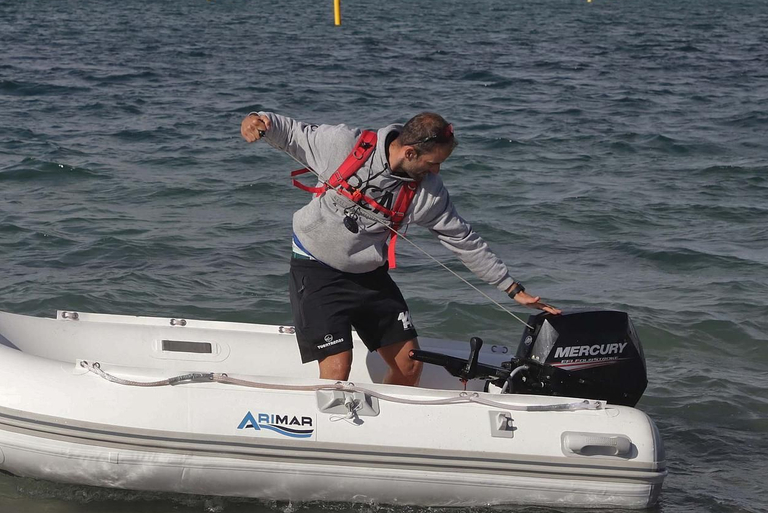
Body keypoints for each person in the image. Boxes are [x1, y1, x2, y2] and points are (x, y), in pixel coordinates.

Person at [240, 110, 560, 386]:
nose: (436, 171)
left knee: (409, 365)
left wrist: (512, 288)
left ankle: (387, 423)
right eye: (433, 163)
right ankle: (325, 428)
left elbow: (463, 239)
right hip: (317, 268)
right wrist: (257, 119)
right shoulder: (343, 144)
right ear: (409, 152)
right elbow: (290, 132)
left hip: (369, 275)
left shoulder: (428, 193)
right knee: (338, 369)